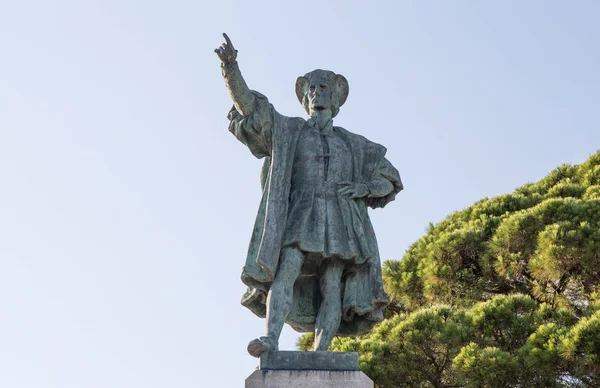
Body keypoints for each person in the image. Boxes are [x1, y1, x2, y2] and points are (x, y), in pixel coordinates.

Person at [215, 33, 403, 357]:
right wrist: (231, 70)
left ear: (336, 99)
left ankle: (322, 352)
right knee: (285, 269)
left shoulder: (354, 144)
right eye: (311, 89)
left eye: (324, 88)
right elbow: (251, 109)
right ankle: (271, 340)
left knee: (332, 285)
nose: (317, 94)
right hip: (302, 213)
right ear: (304, 98)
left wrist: (365, 188)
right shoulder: (290, 130)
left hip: (341, 219)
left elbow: (389, 177)